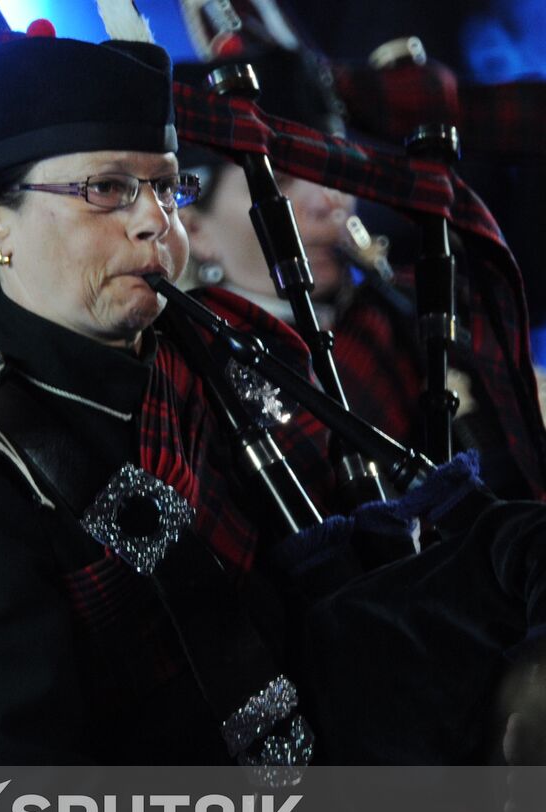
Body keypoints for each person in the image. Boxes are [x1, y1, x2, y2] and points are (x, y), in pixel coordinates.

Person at [0, 31, 528, 812]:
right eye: (104, 188)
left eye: (165, 187)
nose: (150, 223)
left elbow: (310, 603)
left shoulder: (202, 372)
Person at [175, 48, 546, 501]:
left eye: (331, 168)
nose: (329, 202)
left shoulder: (422, 301)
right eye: (279, 181)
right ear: (195, 229)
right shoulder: (196, 385)